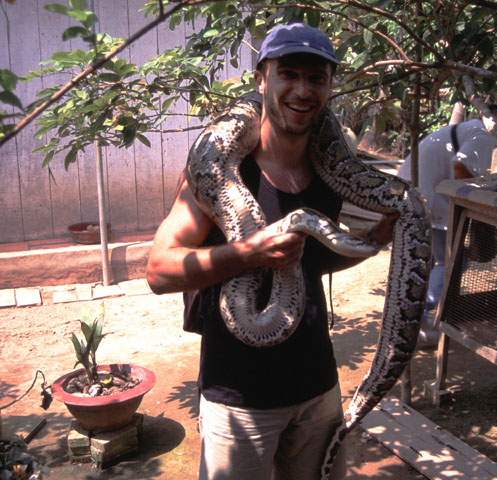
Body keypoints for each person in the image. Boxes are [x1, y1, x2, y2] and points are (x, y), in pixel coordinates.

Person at [146, 23, 395, 480]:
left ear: (329, 86)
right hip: (239, 401)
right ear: (263, 79)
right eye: (289, 74)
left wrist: (372, 242)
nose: (303, 90)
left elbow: (313, 264)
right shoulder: (216, 172)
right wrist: (247, 255)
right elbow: (159, 272)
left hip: (317, 386)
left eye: (316, 78)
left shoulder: (329, 171)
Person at [397, 104, 497, 346]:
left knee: (430, 262)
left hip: (411, 193)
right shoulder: (483, 135)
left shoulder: (469, 129)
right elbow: (461, 168)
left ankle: (414, 321)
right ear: (493, 121)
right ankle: (419, 318)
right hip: (424, 200)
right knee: (450, 262)